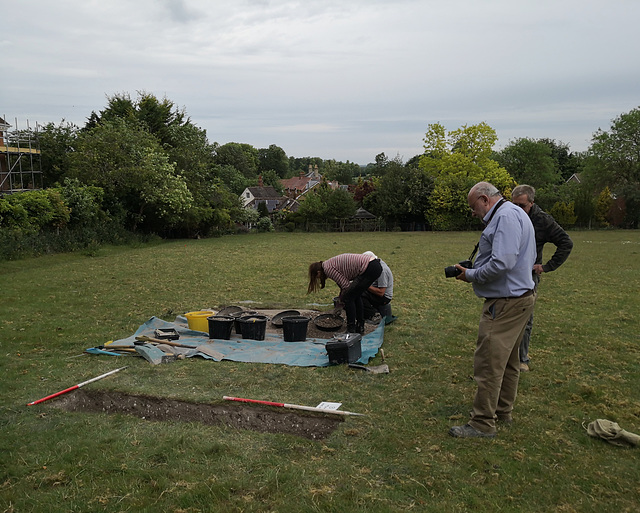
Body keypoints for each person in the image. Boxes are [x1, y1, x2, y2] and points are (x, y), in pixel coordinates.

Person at [449, 182, 536, 439]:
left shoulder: (506, 217)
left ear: (485, 200)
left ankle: (482, 423)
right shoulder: (516, 213)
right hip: (520, 298)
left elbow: (503, 262)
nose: (473, 213)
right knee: (509, 361)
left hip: (506, 303)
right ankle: (502, 410)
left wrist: (471, 275)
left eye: (473, 207)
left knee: (488, 363)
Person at [511, 184, 573, 372]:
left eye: (522, 206)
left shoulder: (542, 220)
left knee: (525, 317)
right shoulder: (509, 216)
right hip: (507, 273)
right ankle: (503, 354)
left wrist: (546, 267)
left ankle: (522, 359)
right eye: (514, 205)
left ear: (532, 203)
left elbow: (566, 242)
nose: (518, 209)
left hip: (528, 276)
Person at [308, 253, 382, 334]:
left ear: (318, 272)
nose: (318, 278)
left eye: (317, 277)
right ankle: (359, 326)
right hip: (373, 266)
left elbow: (346, 286)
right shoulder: (328, 265)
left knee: (349, 298)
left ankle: (351, 329)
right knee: (355, 295)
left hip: (369, 268)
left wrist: (341, 304)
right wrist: (340, 301)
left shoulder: (328, 269)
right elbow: (343, 285)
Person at [361, 251, 396, 325]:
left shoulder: (382, 270)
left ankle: (375, 316)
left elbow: (381, 292)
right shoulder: (376, 266)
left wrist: (364, 285)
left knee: (360, 295)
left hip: (384, 297)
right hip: (377, 293)